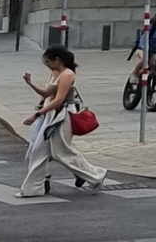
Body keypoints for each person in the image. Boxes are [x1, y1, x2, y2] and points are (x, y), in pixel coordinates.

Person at [17, 46, 108, 197]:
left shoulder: (67, 75)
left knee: (62, 152)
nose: (46, 65)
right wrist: (30, 83)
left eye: (47, 62)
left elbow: (59, 100)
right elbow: (47, 94)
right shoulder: (55, 72)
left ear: (57, 60)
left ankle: (96, 175)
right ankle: (32, 188)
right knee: (38, 151)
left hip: (62, 115)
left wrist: (37, 114)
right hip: (51, 114)